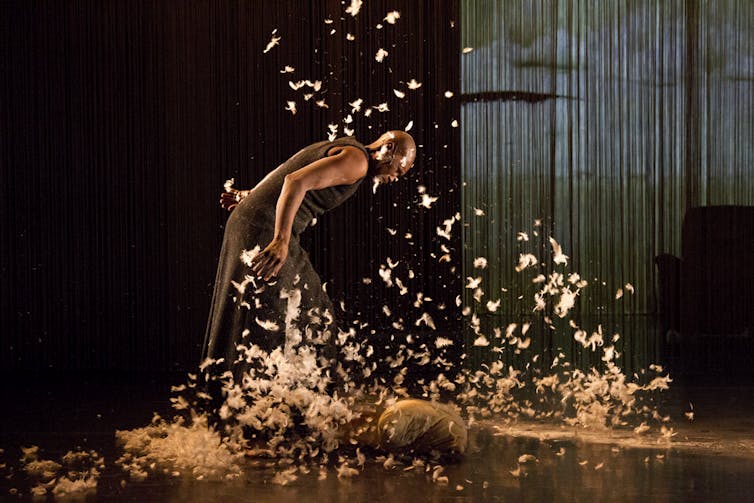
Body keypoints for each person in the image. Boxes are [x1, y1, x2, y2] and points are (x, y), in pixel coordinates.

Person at [201, 131, 417, 382]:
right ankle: (276, 405)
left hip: (253, 221)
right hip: (266, 230)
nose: (395, 178)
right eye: (399, 170)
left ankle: (242, 399)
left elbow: (286, 172)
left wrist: (249, 196)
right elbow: (294, 180)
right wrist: (281, 239)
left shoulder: (344, 148)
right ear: (388, 148)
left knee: (259, 309)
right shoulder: (357, 161)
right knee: (307, 314)